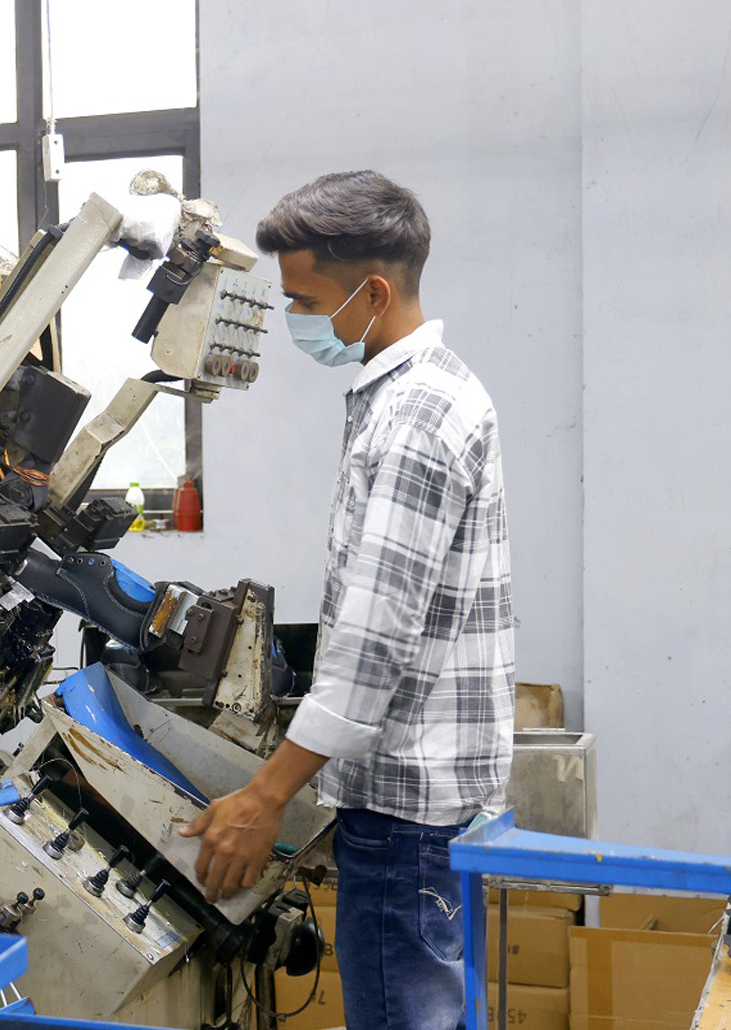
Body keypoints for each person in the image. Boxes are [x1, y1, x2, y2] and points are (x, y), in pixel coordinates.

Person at [180, 170, 514, 1028]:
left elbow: (374, 640)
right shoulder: (419, 394)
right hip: (425, 812)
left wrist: (266, 797)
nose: (295, 318)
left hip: (405, 821)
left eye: (304, 301)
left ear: (373, 293)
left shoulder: (415, 418)